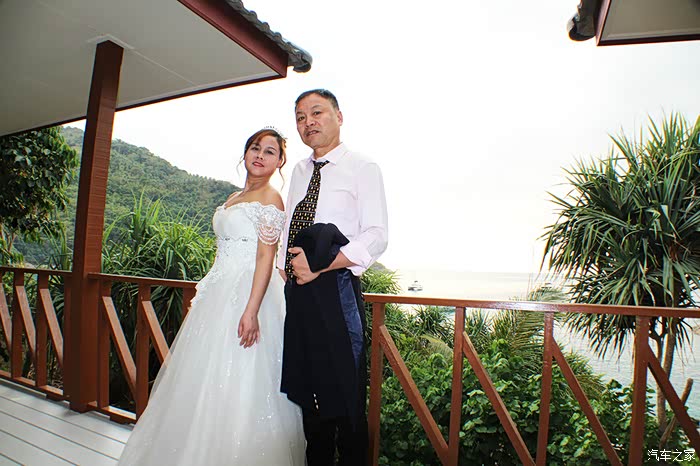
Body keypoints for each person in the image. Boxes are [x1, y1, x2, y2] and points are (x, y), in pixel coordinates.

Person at [117, 128, 305, 466]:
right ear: (245, 153)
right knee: (200, 378)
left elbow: (266, 257)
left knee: (242, 378)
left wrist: (251, 310)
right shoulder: (234, 196)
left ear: (279, 162)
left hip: (249, 293)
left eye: (270, 151)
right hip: (218, 291)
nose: (260, 155)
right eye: (255, 147)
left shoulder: (271, 198)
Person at [277, 89, 389, 466]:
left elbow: (376, 235)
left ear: (339, 117)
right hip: (297, 291)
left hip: (336, 288)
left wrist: (321, 266)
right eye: (300, 117)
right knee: (309, 396)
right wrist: (285, 266)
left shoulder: (362, 167)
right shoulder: (298, 171)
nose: (308, 122)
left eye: (317, 113)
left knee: (345, 398)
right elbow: (290, 225)